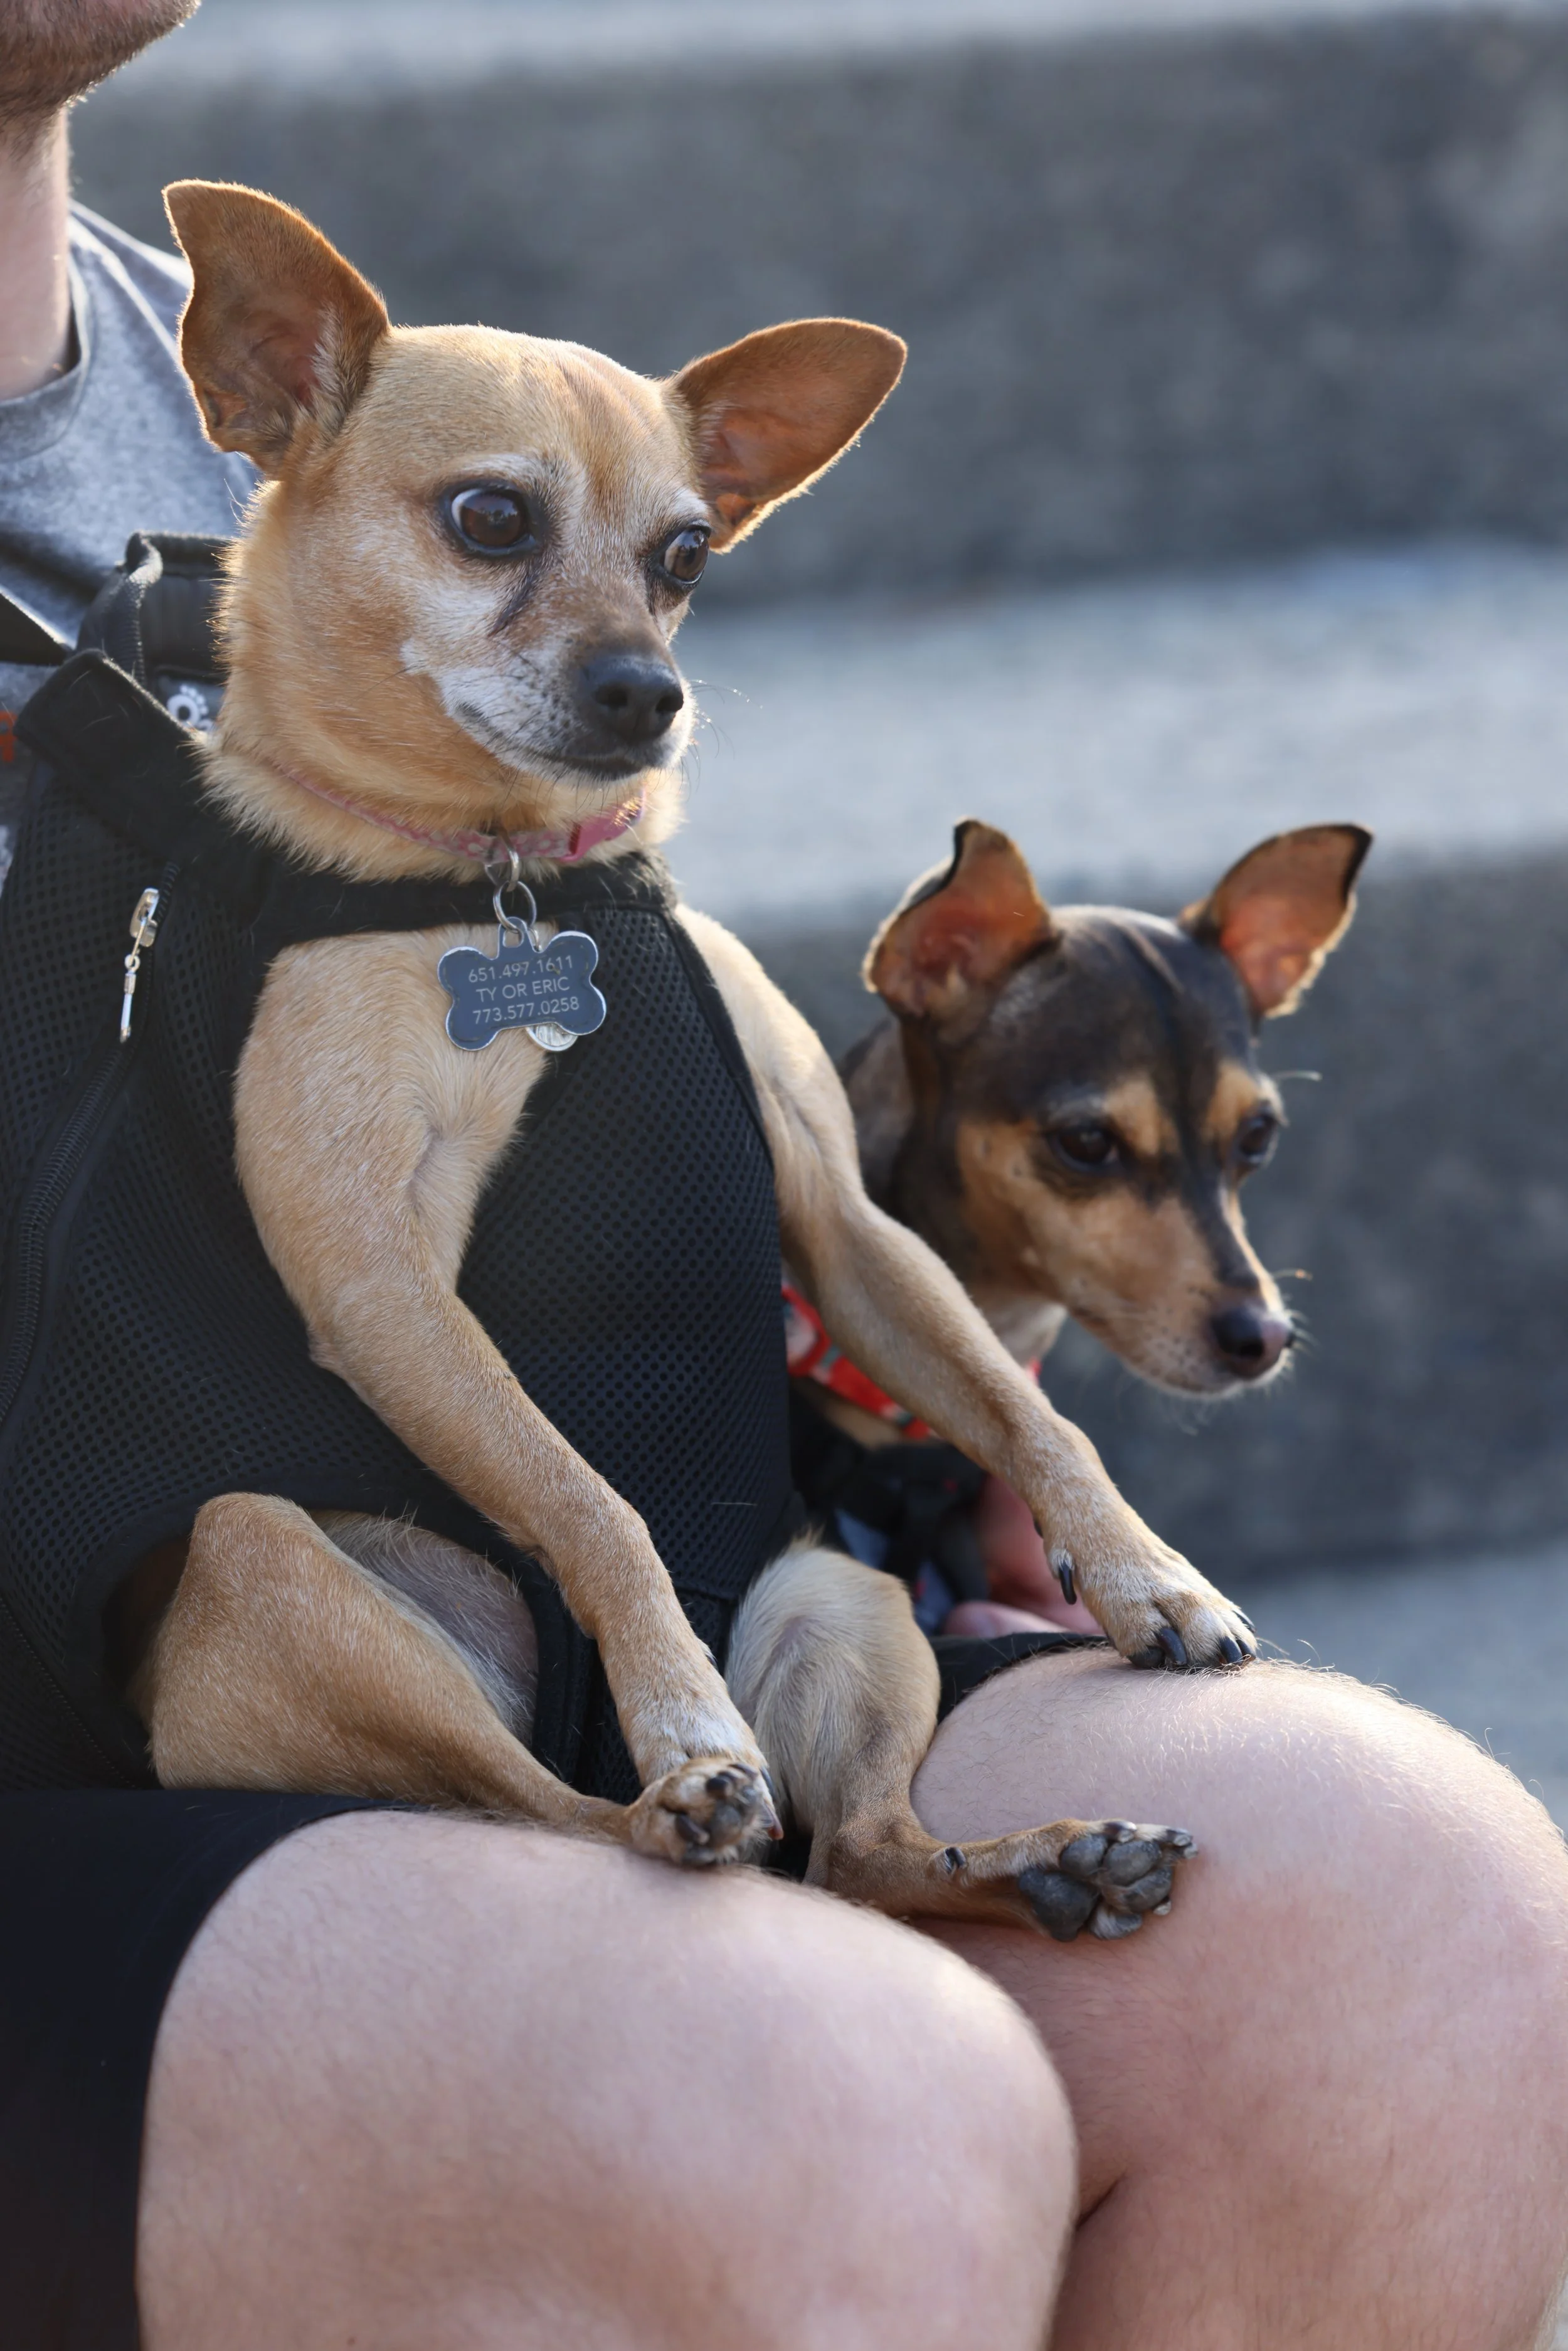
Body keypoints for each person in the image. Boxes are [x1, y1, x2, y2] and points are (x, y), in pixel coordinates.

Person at [3, 9, 1568, 2348]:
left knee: (1402, 1939)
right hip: (127, 1681)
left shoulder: (343, 407)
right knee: (810, 2114)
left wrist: (880, 1375)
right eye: (505, 545)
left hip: (521, 1556)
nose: (620, 652)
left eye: (665, 570)